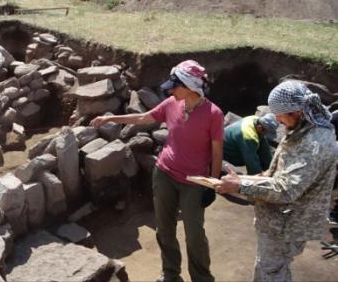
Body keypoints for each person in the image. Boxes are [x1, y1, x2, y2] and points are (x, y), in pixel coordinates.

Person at [91, 60, 223, 282]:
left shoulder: (213, 113)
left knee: (195, 235)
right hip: (164, 174)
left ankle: (202, 278)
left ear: (190, 85)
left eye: (175, 85)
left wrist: (213, 183)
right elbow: (143, 118)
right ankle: (171, 274)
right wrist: (110, 118)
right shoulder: (172, 103)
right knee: (164, 229)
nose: (171, 90)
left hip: (194, 182)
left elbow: (217, 152)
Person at [215, 80, 337, 282]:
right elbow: (275, 173)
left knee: (272, 273)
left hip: (288, 225)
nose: (278, 120)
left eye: (280, 115)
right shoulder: (301, 131)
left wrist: (240, 185)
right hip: (279, 222)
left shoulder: (314, 143)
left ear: (296, 111)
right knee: (270, 268)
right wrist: (244, 178)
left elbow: (286, 189)